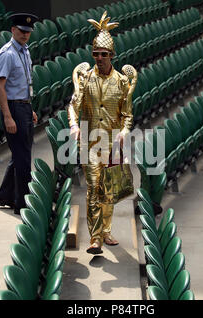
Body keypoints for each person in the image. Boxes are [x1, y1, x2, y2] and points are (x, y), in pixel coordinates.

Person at [68, 11, 137, 254]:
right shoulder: (85, 79)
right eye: (96, 54)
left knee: (109, 190)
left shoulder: (121, 82)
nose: (99, 58)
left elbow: (127, 114)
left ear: (112, 55)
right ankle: (95, 237)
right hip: (89, 141)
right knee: (93, 187)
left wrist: (125, 131)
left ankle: (106, 230)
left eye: (103, 54)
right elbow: (73, 106)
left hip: (112, 143)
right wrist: (74, 125)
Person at [0, 13, 39, 215]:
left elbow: (23, 84)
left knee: (20, 154)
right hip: (13, 108)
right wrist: (7, 116)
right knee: (23, 158)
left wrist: (30, 108)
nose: (25, 35)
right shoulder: (7, 54)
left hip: (24, 106)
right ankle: (23, 204)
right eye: (22, 31)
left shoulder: (24, 51)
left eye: (28, 32)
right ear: (12, 30)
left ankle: (5, 195)